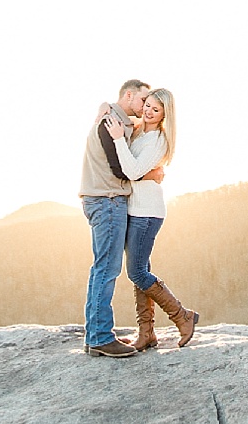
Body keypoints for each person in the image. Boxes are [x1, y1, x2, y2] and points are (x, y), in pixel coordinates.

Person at [107, 87, 199, 351]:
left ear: (163, 116)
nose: (148, 111)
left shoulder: (157, 139)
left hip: (147, 213)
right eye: (147, 104)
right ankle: (146, 333)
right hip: (135, 210)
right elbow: (135, 172)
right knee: (140, 272)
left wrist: (118, 140)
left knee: (136, 272)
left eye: (156, 109)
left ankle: (182, 316)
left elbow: (133, 170)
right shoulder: (138, 131)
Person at [79, 79, 148, 357]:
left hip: (103, 199)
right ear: (128, 95)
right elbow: (120, 170)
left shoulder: (115, 118)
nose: (144, 107)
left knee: (102, 268)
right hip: (107, 201)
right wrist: (148, 174)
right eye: (142, 100)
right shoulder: (111, 123)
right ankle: (99, 338)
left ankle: (96, 334)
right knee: (106, 269)